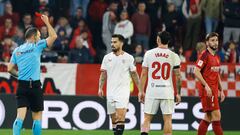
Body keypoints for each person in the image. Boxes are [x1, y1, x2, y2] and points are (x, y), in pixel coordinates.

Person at [7, 14, 57, 135]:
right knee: (37, 118)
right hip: (34, 86)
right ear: (34, 37)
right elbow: (54, 36)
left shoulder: (17, 50)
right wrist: (47, 22)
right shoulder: (37, 46)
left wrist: (19, 75)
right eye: (39, 36)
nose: (40, 38)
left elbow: (9, 69)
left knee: (20, 118)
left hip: (22, 86)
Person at [98, 34, 143, 135]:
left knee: (120, 117)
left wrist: (140, 90)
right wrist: (100, 88)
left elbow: (135, 75)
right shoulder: (107, 58)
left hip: (122, 92)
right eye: (112, 42)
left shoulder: (129, 58)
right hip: (110, 92)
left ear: (121, 43)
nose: (112, 44)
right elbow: (103, 74)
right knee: (114, 119)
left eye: (115, 42)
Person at [140, 31, 181, 135]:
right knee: (168, 119)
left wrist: (141, 91)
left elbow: (143, 74)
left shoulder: (149, 53)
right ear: (168, 41)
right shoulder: (174, 56)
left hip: (152, 90)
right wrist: (178, 93)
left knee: (147, 118)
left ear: (158, 39)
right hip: (167, 91)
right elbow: (178, 77)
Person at [194, 32, 225, 135]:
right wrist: (206, 86)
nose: (215, 43)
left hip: (214, 90)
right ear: (207, 43)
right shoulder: (204, 55)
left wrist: (221, 90)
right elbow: (196, 71)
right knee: (217, 116)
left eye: (216, 40)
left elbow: (217, 75)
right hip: (207, 91)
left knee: (208, 117)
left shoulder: (216, 57)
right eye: (212, 40)